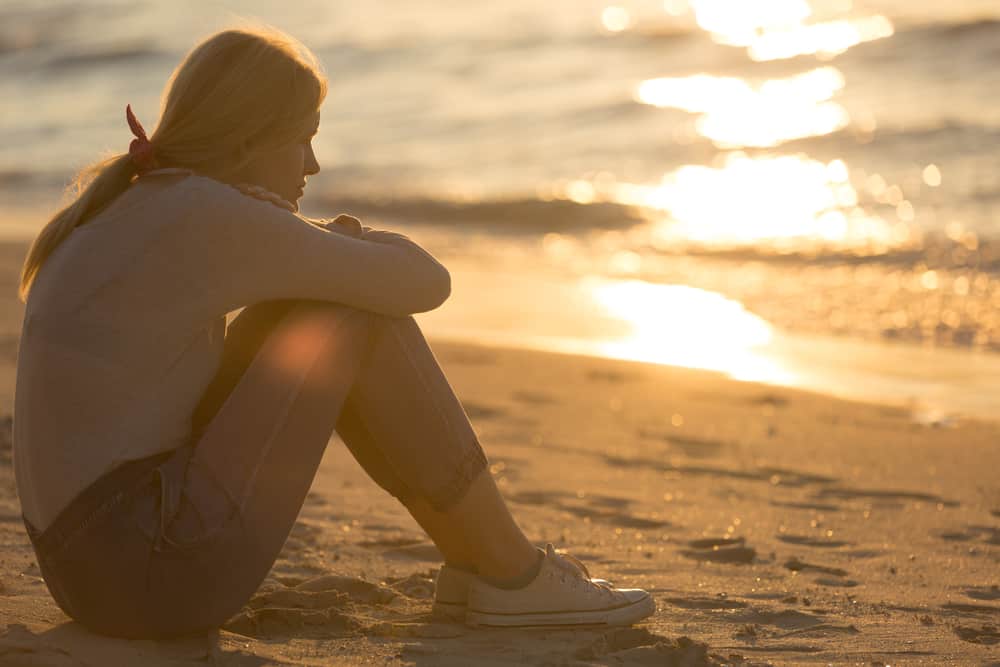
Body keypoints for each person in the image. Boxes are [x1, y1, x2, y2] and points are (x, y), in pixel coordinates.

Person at [12, 25, 655, 639]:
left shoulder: (142, 201)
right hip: (151, 574)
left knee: (312, 302)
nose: (314, 165)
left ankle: (484, 567)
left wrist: (322, 247)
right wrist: (348, 239)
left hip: (91, 572)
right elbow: (425, 282)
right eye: (303, 138)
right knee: (353, 313)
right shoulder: (204, 215)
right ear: (246, 139)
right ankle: (508, 572)